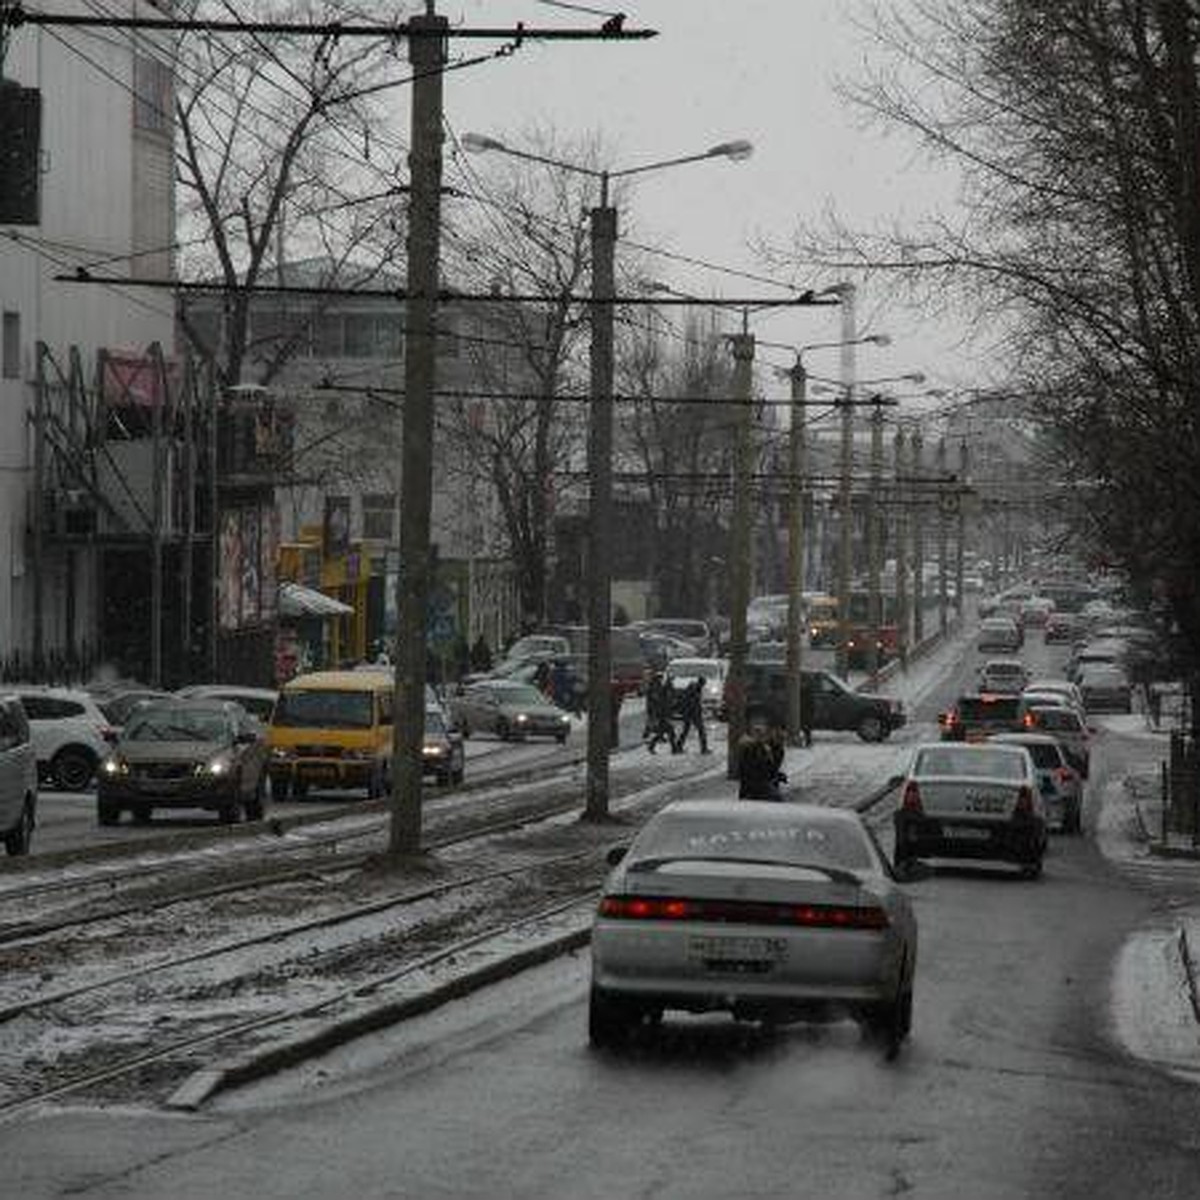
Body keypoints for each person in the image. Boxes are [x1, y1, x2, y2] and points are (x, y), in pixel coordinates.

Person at [737, 711, 787, 800]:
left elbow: (770, 771)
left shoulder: (778, 750)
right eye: (778, 733)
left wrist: (778, 776)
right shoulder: (752, 747)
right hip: (752, 793)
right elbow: (750, 772)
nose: (782, 736)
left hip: (765, 790)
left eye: (783, 736)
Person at [645, 672, 680, 754]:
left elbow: (665, 697)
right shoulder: (654, 688)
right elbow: (657, 701)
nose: (661, 680)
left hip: (662, 713)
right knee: (669, 731)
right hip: (660, 714)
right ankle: (673, 749)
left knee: (663, 732)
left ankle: (652, 746)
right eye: (660, 678)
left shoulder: (659, 687)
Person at [676, 677, 710, 754]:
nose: (703, 686)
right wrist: (698, 713)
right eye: (704, 684)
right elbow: (694, 703)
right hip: (693, 713)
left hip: (688, 713)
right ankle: (704, 749)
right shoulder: (695, 689)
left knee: (685, 731)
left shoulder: (692, 688)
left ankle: (679, 746)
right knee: (701, 731)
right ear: (701, 683)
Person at [799, 678, 814, 748]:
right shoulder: (801, 691)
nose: (803, 685)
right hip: (802, 711)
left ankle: (808, 741)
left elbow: (810, 703)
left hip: (806, 711)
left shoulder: (807, 691)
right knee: (805, 727)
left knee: (806, 727)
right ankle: (807, 741)